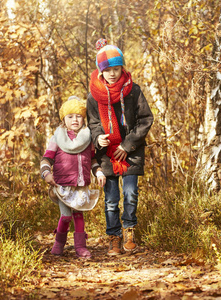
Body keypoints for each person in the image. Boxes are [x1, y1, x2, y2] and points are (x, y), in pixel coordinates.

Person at [87, 39, 153, 256]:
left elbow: (145, 119)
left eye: (116, 69)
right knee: (111, 199)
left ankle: (129, 231)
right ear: (101, 72)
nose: (113, 74)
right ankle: (113, 237)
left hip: (131, 151)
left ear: (122, 68)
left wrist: (127, 145)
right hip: (107, 154)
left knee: (131, 193)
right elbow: (93, 123)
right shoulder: (93, 96)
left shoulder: (133, 91)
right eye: (108, 70)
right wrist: (98, 138)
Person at [40, 96, 106, 258]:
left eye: (78, 116)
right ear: (64, 119)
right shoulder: (58, 138)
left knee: (78, 214)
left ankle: (80, 247)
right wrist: (46, 173)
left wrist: (98, 171)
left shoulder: (87, 138)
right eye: (70, 116)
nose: (75, 120)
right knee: (66, 216)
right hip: (62, 185)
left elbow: (93, 160)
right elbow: (46, 159)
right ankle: (59, 243)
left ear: (84, 118)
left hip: (81, 184)